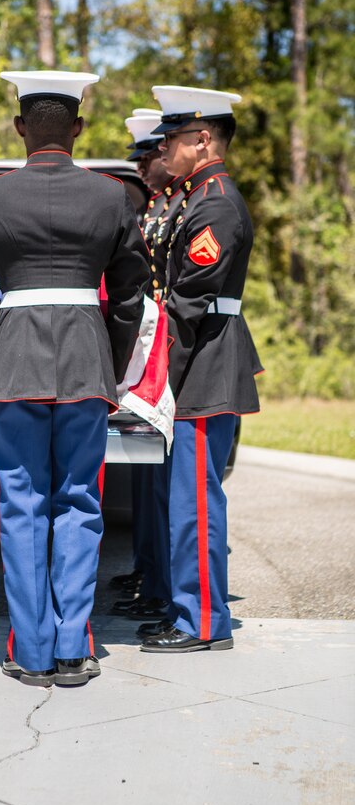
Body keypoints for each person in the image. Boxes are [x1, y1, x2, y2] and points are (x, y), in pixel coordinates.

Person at [0, 70, 150, 687]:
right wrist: (111, 367)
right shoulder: (113, 196)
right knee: (80, 506)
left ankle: (30, 651)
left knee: (21, 506)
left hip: (13, 366)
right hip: (87, 362)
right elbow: (130, 298)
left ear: (19, 129)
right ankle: (73, 649)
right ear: (79, 129)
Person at [139, 85, 262, 653]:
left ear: (203, 138)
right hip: (200, 354)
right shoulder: (199, 196)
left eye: (174, 138)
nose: (166, 149)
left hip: (205, 359)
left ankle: (204, 622)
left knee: (195, 500)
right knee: (181, 497)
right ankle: (184, 608)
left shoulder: (213, 203)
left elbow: (189, 300)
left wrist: (149, 367)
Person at [110, 108, 183, 624]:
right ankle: (151, 573)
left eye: (149, 154)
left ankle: (163, 584)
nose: (143, 165)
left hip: (169, 353)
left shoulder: (184, 206)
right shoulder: (161, 207)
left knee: (167, 487)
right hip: (151, 354)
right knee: (148, 482)